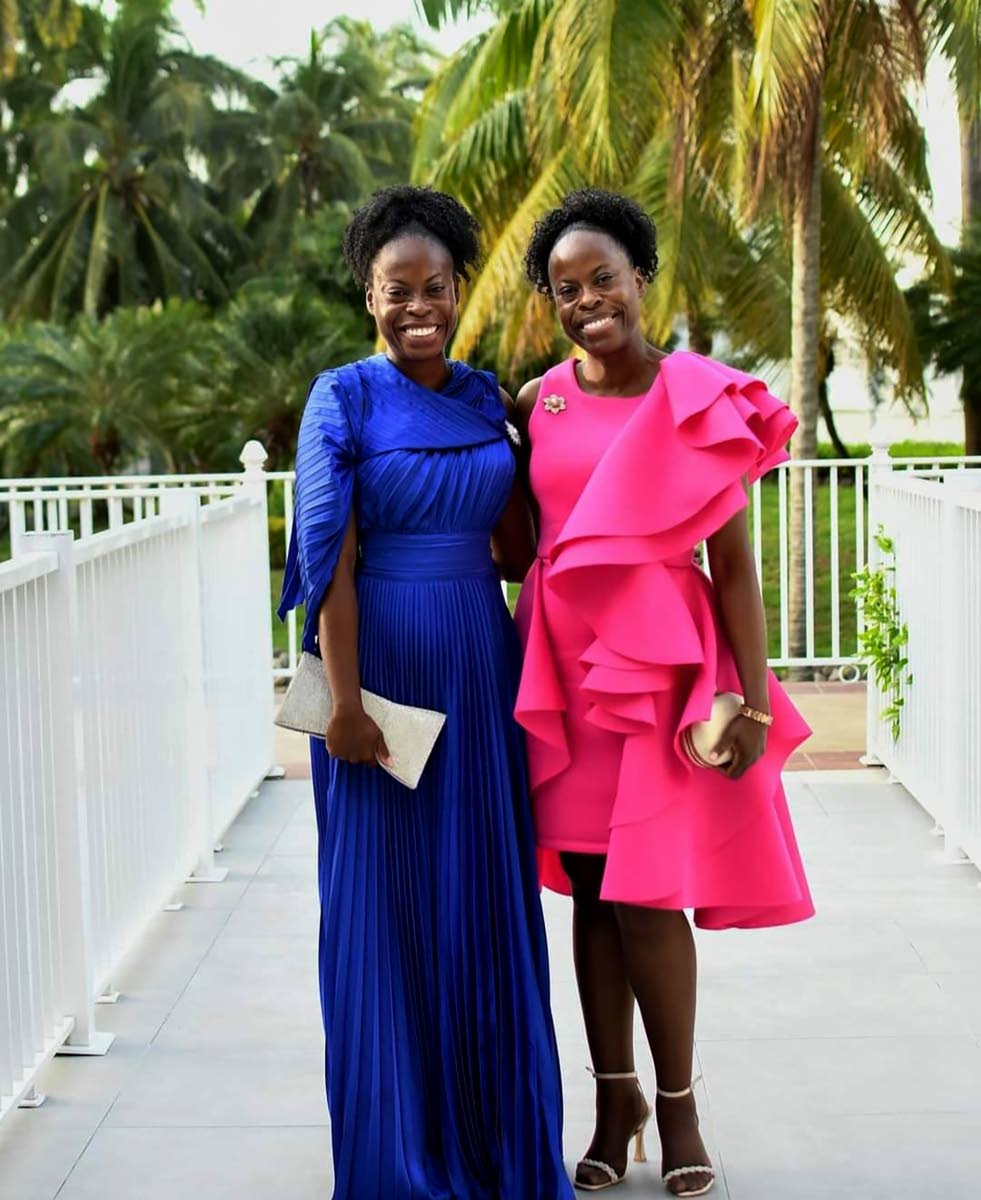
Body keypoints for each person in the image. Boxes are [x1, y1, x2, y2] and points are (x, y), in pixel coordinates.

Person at [509, 189, 814, 1197]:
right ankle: (613, 1101)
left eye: (603, 277)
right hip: (566, 660)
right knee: (591, 897)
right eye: (566, 287)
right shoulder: (537, 401)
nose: (588, 299)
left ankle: (678, 1109)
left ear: (640, 277)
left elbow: (732, 566)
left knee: (649, 899)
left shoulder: (692, 396)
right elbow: (519, 536)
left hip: (663, 669)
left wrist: (754, 697)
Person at [278, 185, 572, 1200]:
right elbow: (333, 566)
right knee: (384, 914)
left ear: (457, 290)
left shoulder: (488, 398)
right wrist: (347, 707)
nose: (417, 306)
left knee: (481, 904)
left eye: (434, 287)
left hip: (479, 674)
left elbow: (520, 546)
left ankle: (496, 1145)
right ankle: (398, 1158)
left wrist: (538, 438)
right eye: (394, 290)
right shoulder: (342, 398)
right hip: (380, 685)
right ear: (369, 295)